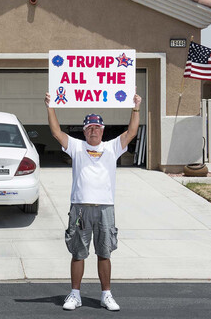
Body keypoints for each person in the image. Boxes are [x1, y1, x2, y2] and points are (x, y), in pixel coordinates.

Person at [44, 91, 142, 311]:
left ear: (103, 130)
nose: (93, 131)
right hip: (80, 208)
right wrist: (50, 107)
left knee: (104, 252)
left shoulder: (112, 147)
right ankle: (75, 294)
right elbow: (56, 132)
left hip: (105, 207)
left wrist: (136, 107)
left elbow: (132, 132)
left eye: (97, 127)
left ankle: (106, 295)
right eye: (89, 128)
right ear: (85, 130)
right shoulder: (77, 147)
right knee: (78, 253)